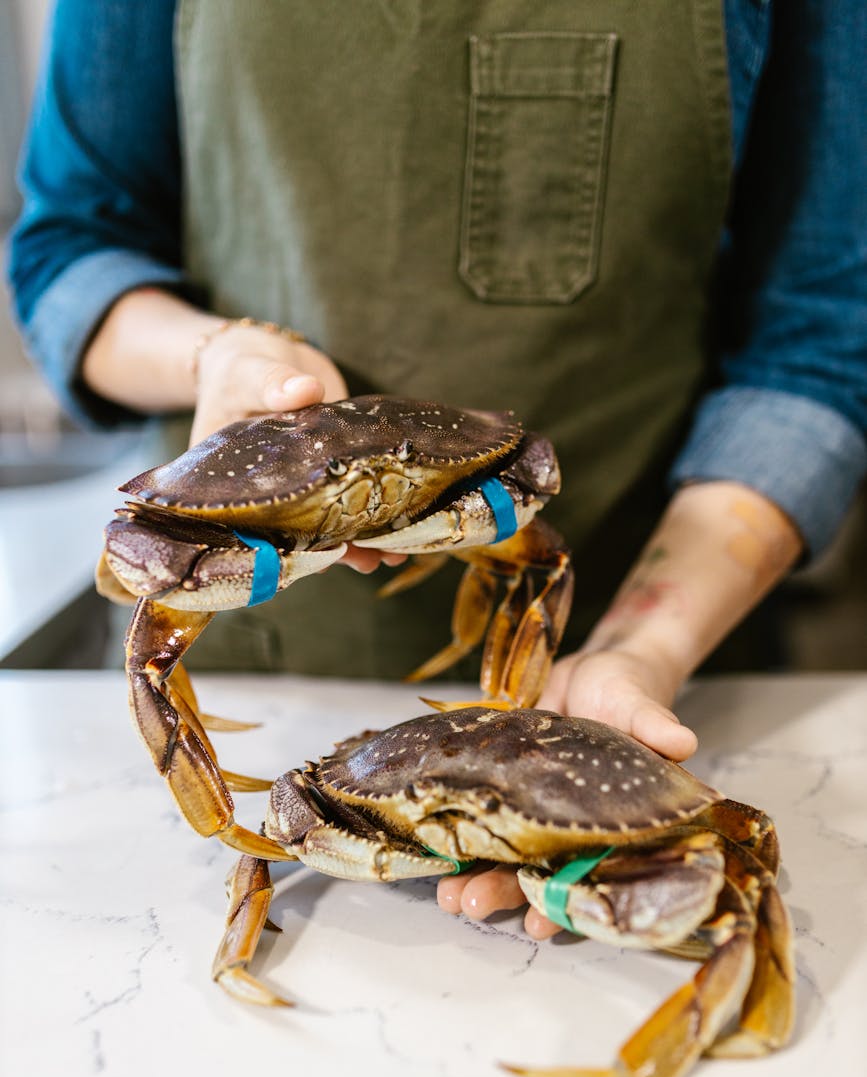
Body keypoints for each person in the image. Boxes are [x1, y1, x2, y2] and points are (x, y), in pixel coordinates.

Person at [7, 1, 866, 938]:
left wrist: (644, 646)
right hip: (251, 669)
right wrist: (214, 355)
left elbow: (817, 339)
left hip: (635, 675)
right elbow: (69, 247)